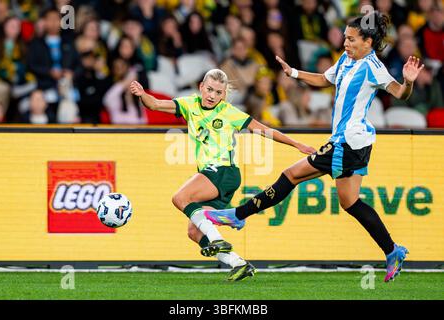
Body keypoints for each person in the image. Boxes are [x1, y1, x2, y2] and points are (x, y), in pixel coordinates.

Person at [202, 12, 425, 283]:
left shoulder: (372, 66)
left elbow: (400, 93)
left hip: (347, 142)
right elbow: (324, 79)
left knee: (291, 175)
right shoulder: (346, 59)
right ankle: (392, 251)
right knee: (350, 202)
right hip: (357, 142)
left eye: (351, 39)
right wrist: (293, 72)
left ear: (367, 41)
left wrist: (409, 80)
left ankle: (238, 215)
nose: (345, 43)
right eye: (344, 37)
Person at [130, 69, 315, 281]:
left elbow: (264, 129)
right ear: (201, 87)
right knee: (194, 231)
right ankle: (238, 262)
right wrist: (141, 94)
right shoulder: (189, 105)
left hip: (224, 171)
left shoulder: (230, 112)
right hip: (215, 176)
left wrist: (296, 143)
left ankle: (220, 235)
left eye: (218, 92)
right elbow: (154, 104)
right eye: (209, 90)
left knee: (180, 198)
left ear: (224, 95)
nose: (212, 96)